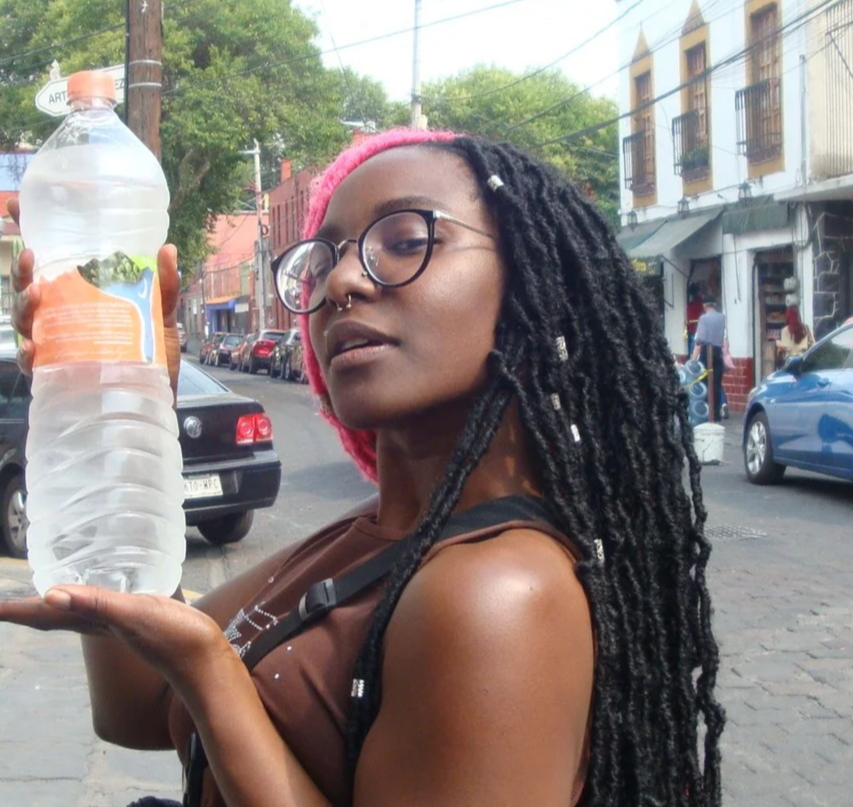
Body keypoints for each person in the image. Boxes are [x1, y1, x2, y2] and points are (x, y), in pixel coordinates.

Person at [0, 130, 724, 807]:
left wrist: (210, 672)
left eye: (404, 240)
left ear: (534, 284)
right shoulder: (366, 538)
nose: (341, 280)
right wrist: (119, 404)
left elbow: (181, 682)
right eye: (321, 260)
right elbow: (133, 709)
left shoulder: (496, 592)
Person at [692, 296, 727, 422]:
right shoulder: (722, 317)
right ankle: (716, 414)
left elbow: (700, 338)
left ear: (705, 306)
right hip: (718, 352)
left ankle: (707, 413)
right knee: (717, 384)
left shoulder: (703, 318)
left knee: (704, 384)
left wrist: (696, 341)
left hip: (706, 352)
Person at [685, 282, 704, 357]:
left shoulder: (690, 305)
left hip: (692, 329)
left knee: (692, 350)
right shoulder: (700, 304)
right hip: (697, 330)